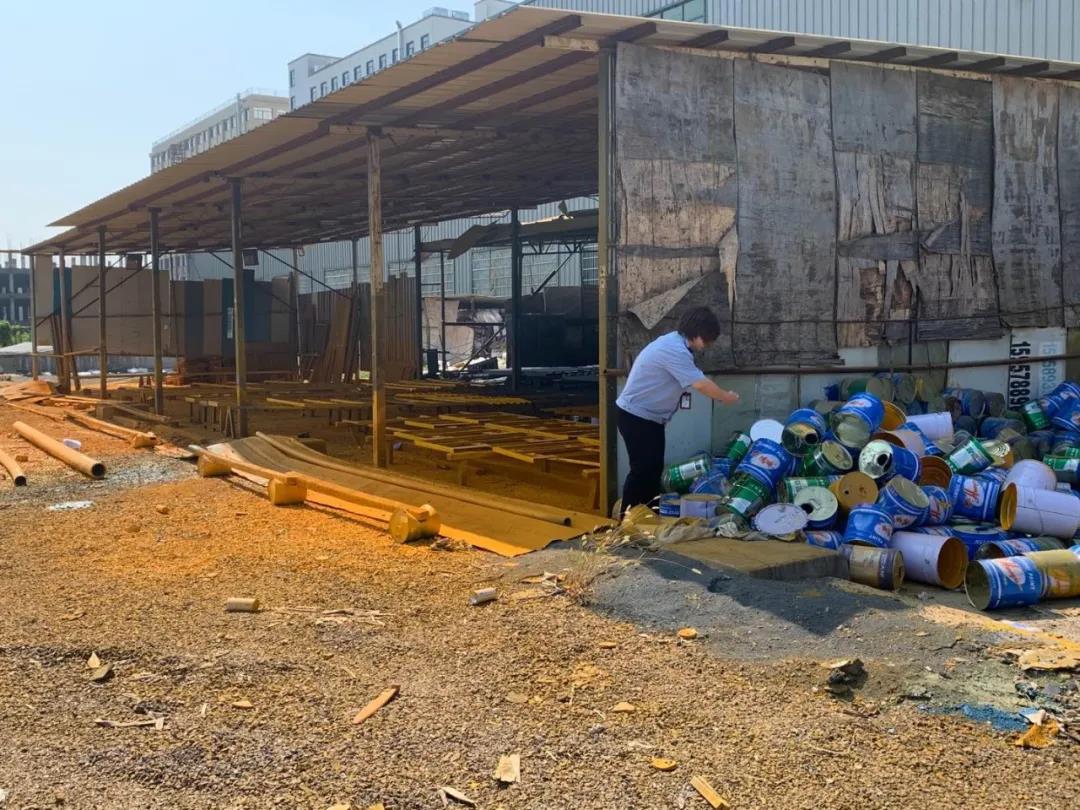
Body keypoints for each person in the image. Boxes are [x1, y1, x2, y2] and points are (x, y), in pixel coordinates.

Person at [615, 307, 739, 510]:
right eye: (707, 339)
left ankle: (647, 516)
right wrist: (726, 397)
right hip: (636, 417)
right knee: (642, 471)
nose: (708, 345)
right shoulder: (674, 350)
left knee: (652, 470)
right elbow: (700, 384)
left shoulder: (675, 344)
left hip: (650, 419)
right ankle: (626, 519)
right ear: (697, 332)